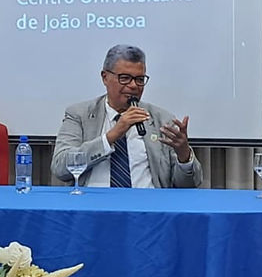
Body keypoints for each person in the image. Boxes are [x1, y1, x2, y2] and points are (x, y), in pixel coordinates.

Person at [51, 44, 202, 188]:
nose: (133, 85)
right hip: (94, 201)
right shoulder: (79, 115)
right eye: (125, 78)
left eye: (139, 80)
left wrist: (184, 156)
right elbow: (60, 167)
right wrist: (111, 136)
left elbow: (189, 184)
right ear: (105, 77)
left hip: (147, 202)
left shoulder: (162, 120)